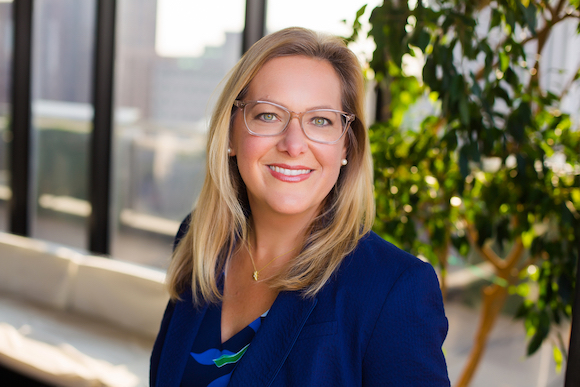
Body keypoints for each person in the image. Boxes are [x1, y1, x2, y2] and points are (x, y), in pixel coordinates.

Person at [150, 27, 449, 387]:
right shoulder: (200, 240)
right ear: (230, 134)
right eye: (269, 115)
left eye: (320, 121)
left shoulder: (393, 291)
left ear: (346, 148)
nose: (294, 144)